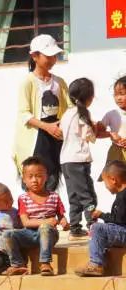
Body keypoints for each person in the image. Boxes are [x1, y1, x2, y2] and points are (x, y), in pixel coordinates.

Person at [13, 35, 70, 192]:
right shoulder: (28, 82)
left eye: (54, 56)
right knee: (35, 180)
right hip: (36, 139)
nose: (52, 60)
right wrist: (47, 127)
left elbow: (69, 108)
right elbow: (24, 113)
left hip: (55, 137)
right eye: (48, 56)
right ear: (35, 56)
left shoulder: (59, 82)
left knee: (51, 179)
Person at [8, 156, 66, 276]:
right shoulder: (23, 198)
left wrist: (64, 222)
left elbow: (61, 216)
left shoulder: (54, 196)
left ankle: (45, 263)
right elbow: (25, 222)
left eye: (39, 176)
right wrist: (46, 221)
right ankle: (18, 264)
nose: (34, 180)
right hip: (29, 234)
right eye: (30, 177)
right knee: (8, 235)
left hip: (49, 234)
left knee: (45, 228)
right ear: (24, 179)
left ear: (46, 177)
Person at [59, 78, 99, 240]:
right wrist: (96, 127)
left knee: (74, 195)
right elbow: (88, 135)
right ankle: (93, 225)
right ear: (89, 98)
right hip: (79, 160)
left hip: (66, 160)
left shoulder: (67, 114)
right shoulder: (83, 114)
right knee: (87, 194)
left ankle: (75, 226)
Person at [75, 160, 126, 276]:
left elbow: (120, 219)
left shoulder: (124, 196)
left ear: (113, 180)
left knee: (97, 228)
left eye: (105, 182)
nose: (105, 186)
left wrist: (101, 215)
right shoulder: (121, 195)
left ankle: (96, 264)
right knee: (101, 231)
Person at [101, 76, 126, 167]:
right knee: (114, 179)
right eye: (115, 94)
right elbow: (97, 132)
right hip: (115, 153)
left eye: (122, 94)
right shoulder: (111, 114)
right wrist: (110, 134)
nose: (118, 98)